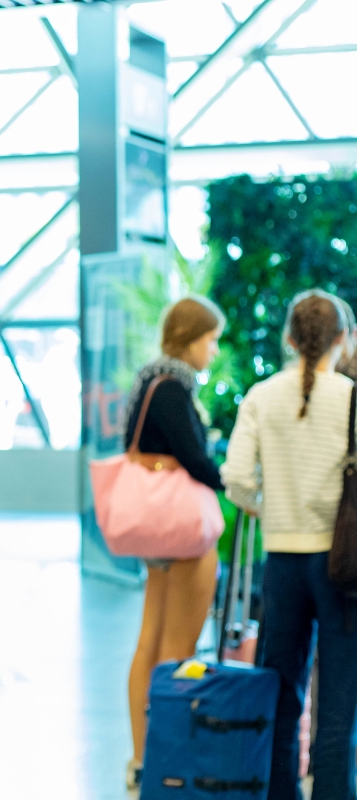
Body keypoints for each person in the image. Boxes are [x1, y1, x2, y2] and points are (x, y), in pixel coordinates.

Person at [222, 291, 357, 800]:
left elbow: (237, 478)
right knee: (339, 705)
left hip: (281, 563)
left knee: (281, 696)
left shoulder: (261, 396)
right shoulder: (351, 397)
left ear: (289, 339)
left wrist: (268, 507)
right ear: (342, 340)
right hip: (342, 566)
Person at [123, 295, 226, 790]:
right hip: (185, 533)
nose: (214, 350)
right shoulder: (175, 387)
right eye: (211, 340)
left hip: (154, 533)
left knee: (150, 643)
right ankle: (170, 764)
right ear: (190, 339)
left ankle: (143, 760)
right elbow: (196, 460)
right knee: (179, 651)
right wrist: (231, 480)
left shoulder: (147, 380)